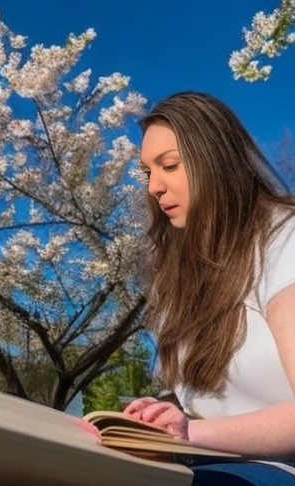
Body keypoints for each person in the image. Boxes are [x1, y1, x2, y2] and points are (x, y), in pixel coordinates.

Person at [123, 91, 295, 486]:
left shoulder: (283, 240)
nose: (155, 187)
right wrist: (157, 418)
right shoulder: (176, 281)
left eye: (169, 165)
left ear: (216, 159)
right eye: (148, 173)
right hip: (216, 465)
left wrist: (189, 433)